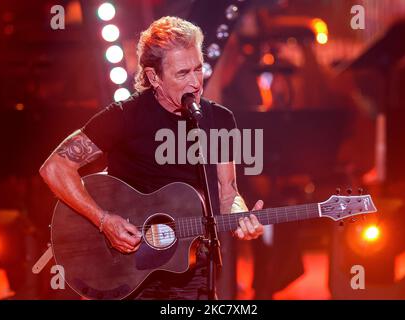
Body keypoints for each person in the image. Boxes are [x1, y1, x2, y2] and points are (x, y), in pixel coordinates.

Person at [39, 16, 264, 300]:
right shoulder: (126, 116)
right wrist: (104, 221)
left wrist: (240, 215)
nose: (195, 82)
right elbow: (55, 167)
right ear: (154, 77)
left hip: (191, 267)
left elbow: (227, 192)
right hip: (124, 269)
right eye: (182, 73)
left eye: (198, 69)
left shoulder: (219, 120)